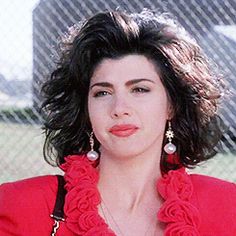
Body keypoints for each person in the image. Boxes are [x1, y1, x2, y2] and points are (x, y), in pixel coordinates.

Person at [0, 9, 236, 236]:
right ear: (86, 109)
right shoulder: (19, 206)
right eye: (102, 93)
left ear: (172, 105)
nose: (119, 109)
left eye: (140, 89)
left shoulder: (226, 206)